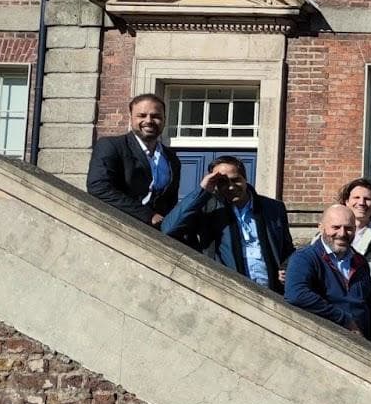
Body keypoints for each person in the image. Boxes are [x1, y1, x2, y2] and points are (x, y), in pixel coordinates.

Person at [160, 155, 294, 292]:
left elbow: (287, 249)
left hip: (271, 293)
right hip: (227, 292)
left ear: (245, 179)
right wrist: (202, 190)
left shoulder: (272, 208)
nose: (230, 187)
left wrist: (287, 267)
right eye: (223, 182)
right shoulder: (207, 208)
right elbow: (169, 229)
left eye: (236, 180)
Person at [87, 93, 182, 227]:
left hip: (159, 234)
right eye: (142, 115)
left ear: (164, 119)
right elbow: (99, 188)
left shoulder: (171, 158)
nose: (149, 120)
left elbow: (171, 201)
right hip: (120, 228)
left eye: (156, 116)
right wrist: (148, 215)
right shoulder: (111, 146)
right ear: (131, 118)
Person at [284, 205, 371, 339]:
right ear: (321, 227)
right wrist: (343, 319)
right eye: (336, 227)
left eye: (349, 228)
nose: (342, 233)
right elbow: (296, 294)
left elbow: (370, 307)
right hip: (325, 341)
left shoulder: (360, 263)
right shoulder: (305, 258)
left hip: (362, 344)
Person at [338, 178, 371, 259]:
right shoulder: (330, 232)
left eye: (367, 199)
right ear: (347, 202)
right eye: (356, 197)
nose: (361, 203)